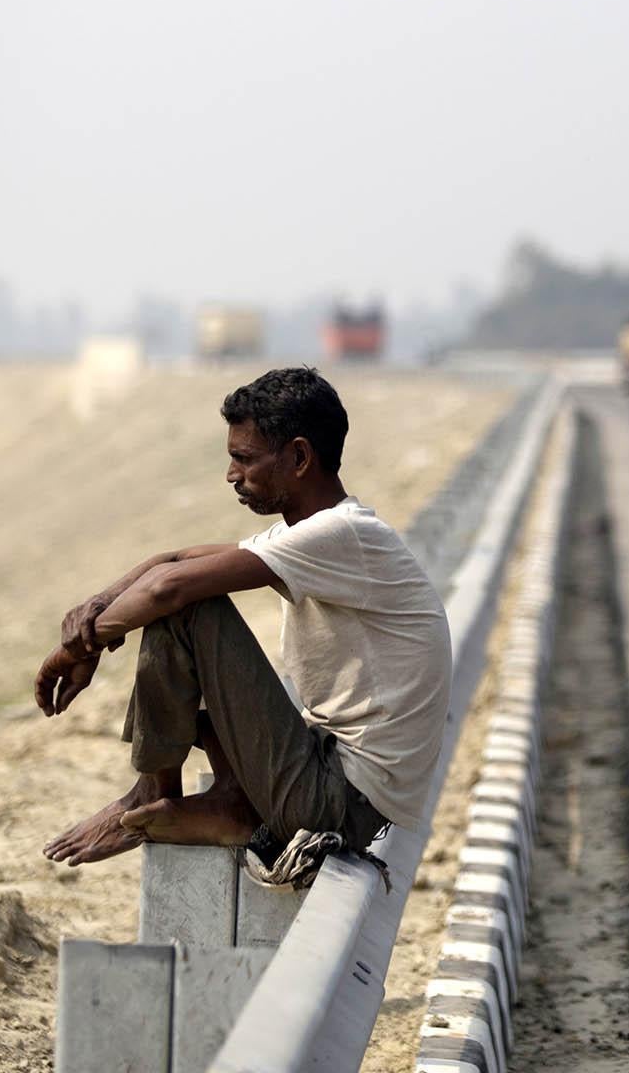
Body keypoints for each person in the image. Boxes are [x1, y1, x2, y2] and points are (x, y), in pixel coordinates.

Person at [37, 366, 451, 868]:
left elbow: (170, 587)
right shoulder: (319, 533)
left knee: (190, 607)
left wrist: (75, 650)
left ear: (299, 457)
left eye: (244, 459)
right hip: (327, 776)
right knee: (187, 612)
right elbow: (174, 561)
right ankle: (231, 805)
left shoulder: (343, 534)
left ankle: (149, 795)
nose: (233, 475)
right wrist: (94, 610)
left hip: (338, 805)